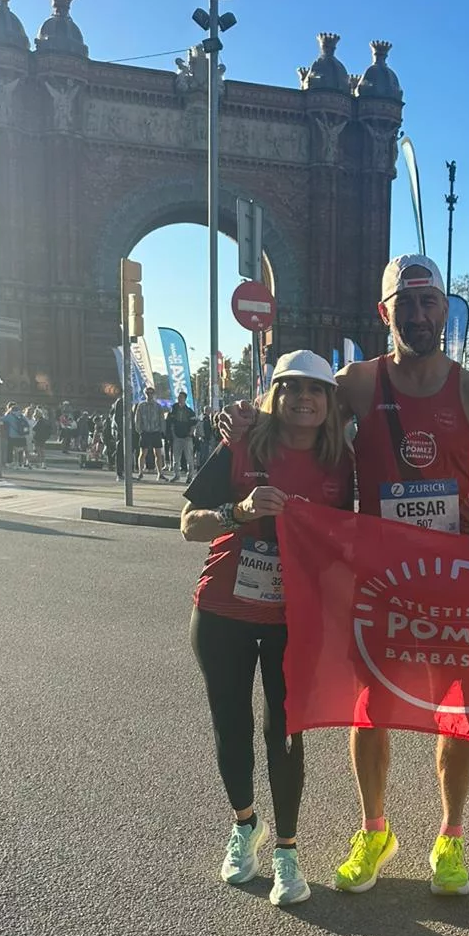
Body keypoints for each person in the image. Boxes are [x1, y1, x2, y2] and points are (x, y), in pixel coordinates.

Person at [223, 254, 469, 898]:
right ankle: (375, 828)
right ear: (386, 314)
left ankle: (451, 836)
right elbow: (295, 416)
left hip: (449, 585)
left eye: (428, 303)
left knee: (455, 715)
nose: (417, 315)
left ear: (445, 310)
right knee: (369, 712)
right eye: (403, 305)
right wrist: (247, 428)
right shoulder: (356, 384)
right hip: (378, 585)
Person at [181, 351, 355, 905]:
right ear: (274, 395)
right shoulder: (244, 441)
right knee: (230, 727)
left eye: (316, 390)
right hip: (223, 611)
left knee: (285, 731)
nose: (304, 398)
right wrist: (240, 510)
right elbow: (188, 524)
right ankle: (244, 823)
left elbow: (352, 537)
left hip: (292, 618)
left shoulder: (340, 462)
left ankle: (286, 851)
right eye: (291, 387)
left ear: (330, 403)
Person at [134, 387, 166, 479]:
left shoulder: (158, 406)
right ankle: (140, 472)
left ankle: (160, 473)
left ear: (154, 394)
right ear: (145, 394)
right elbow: (137, 419)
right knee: (143, 453)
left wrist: (162, 430)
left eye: (151, 393)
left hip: (155, 432)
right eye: (148, 393)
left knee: (158, 453)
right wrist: (139, 430)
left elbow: (162, 419)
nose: (149, 395)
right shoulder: (141, 405)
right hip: (145, 432)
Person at [167, 391, 197, 483]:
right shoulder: (174, 409)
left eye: (181, 397)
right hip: (177, 437)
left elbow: (193, 424)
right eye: (178, 397)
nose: (179, 399)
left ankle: (190, 476)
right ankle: (176, 475)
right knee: (176, 458)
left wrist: (190, 434)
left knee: (189, 458)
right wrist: (172, 434)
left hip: (187, 437)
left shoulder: (189, 411)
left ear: (185, 399)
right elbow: (170, 422)